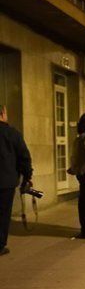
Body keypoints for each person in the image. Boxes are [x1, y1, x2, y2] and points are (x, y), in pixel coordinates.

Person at [0, 105, 33, 256]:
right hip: (5, 181)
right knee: (3, 213)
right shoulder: (12, 134)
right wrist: (27, 176)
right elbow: (23, 157)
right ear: (2, 113)